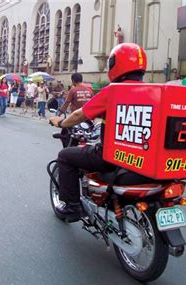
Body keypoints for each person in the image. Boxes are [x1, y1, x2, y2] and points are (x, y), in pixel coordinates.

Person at [49, 43, 146, 221]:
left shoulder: (113, 91)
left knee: (65, 155)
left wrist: (61, 122)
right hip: (139, 157)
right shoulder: (151, 92)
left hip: (111, 157)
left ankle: (72, 206)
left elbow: (80, 114)